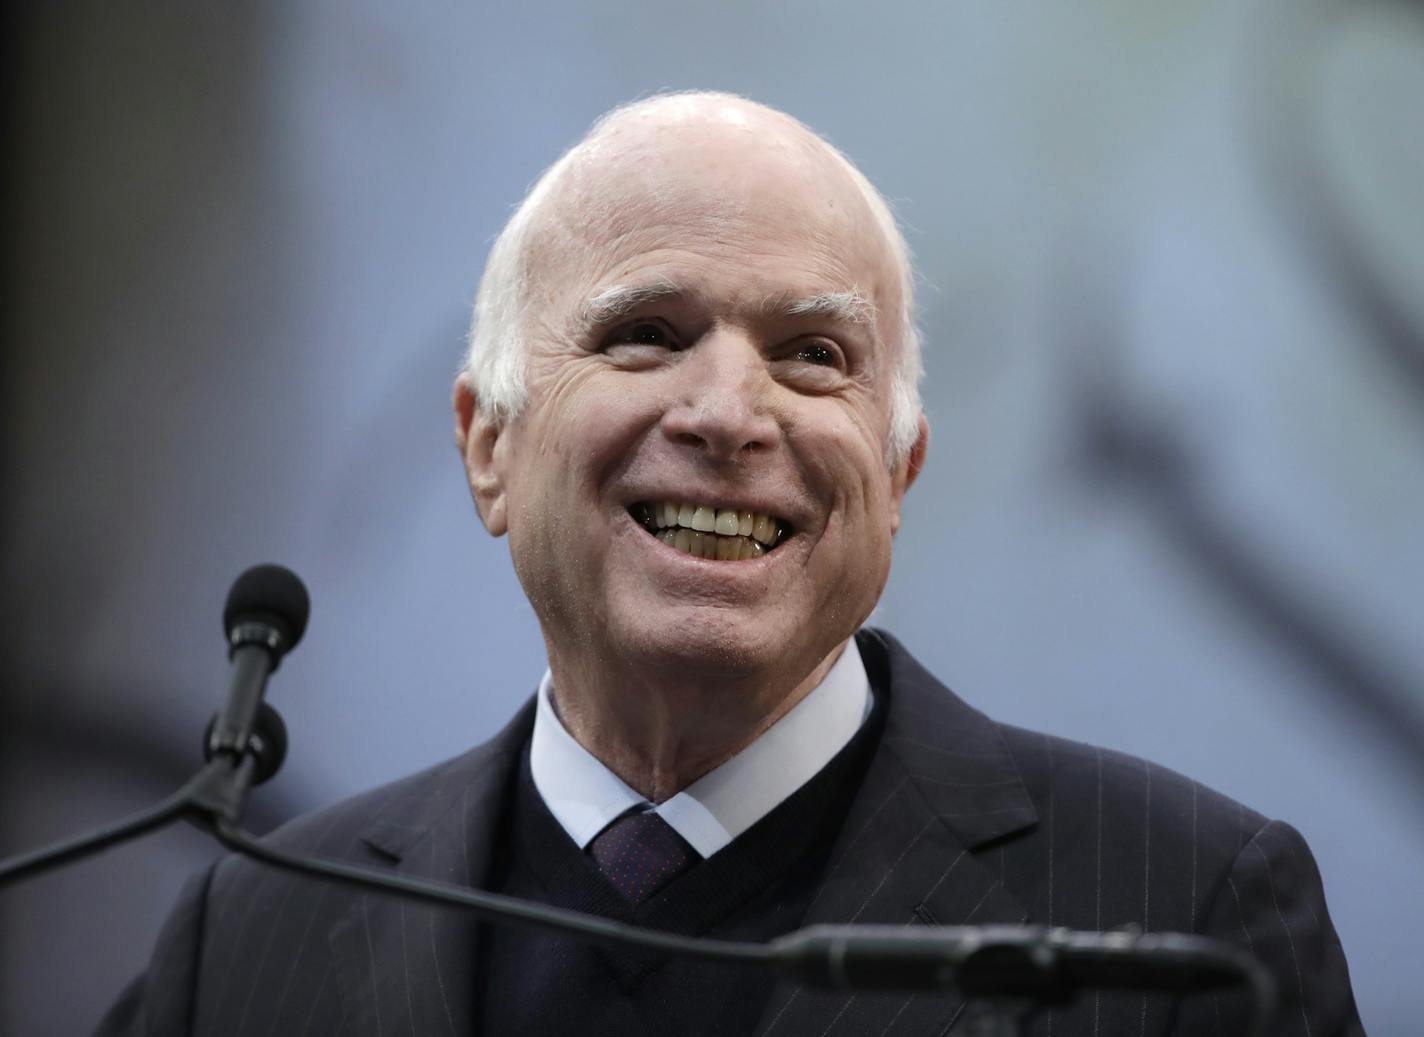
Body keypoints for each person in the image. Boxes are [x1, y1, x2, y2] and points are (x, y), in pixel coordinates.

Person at [98, 92, 1361, 1036]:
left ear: (898, 470)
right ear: (488, 445)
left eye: (811, 354)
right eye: (646, 334)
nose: (728, 413)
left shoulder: (1182, 907)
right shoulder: (249, 940)